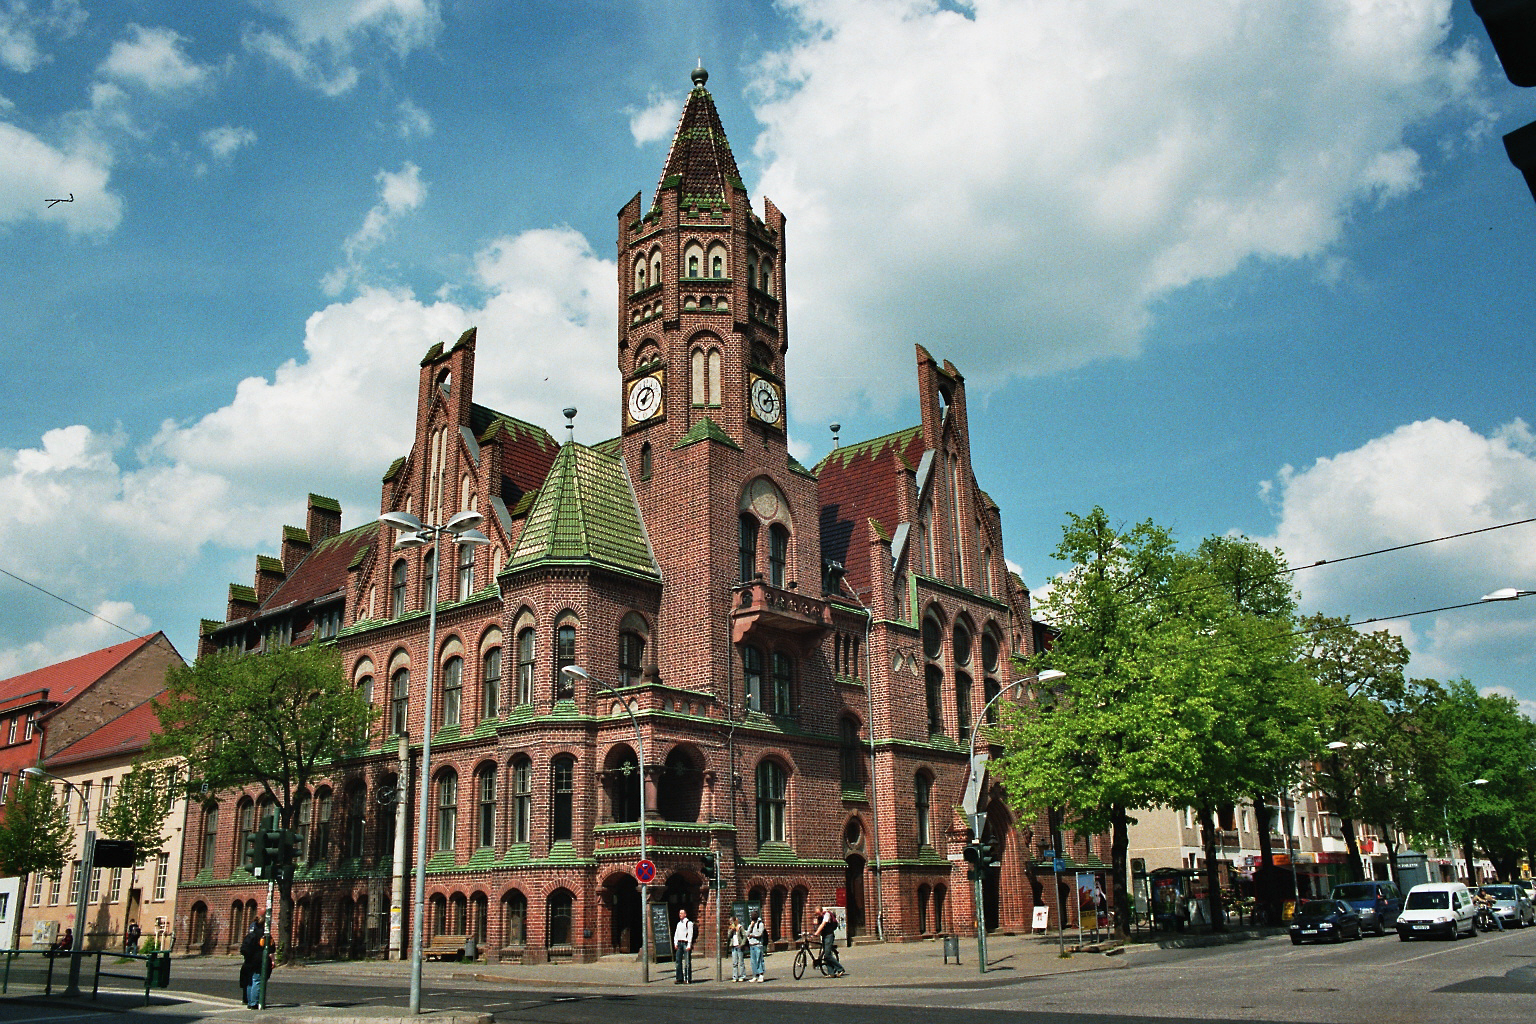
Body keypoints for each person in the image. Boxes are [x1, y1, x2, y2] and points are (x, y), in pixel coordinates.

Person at [239, 921, 268, 1008]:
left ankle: (249, 1001)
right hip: (258, 961)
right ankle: (254, 1003)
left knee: (250, 982)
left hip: (249, 960)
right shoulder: (263, 935)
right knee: (257, 980)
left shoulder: (250, 935)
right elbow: (271, 948)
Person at [814, 908, 844, 977]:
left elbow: (823, 924)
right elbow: (817, 925)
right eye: (817, 914)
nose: (818, 915)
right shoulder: (819, 917)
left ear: (821, 911)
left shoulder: (827, 915)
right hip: (824, 936)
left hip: (829, 936)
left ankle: (840, 969)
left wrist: (816, 933)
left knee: (827, 954)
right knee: (826, 955)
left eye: (818, 913)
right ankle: (831, 973)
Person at [672, 908, 694, 984]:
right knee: (678, 961)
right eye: (679, 913)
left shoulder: (689, 923)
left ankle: (687, 978)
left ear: (685, 914)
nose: (680, 915)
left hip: (685, 943)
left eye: (681, 913)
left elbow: (690, 934)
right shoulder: (679, 924)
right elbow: (676, 934)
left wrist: (689, 945)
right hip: (679, 943)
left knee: (687, 962)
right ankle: (679, 978)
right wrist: (675, 943)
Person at [745, 908, 766, 982]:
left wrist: (752, 935)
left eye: (753, 915)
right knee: (753, 961)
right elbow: (747, 933)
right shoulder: (751, 924)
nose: (752, 916)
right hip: (751, 945)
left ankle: (761, 974)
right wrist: (750, 926)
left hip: (758, 944)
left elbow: (759, 933)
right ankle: (755, 975)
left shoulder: (760, 924)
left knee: (759, 960)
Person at [727, 914, 747, 982]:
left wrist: (742, 944)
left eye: (731, 921)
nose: (730, 923)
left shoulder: (740, 927)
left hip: (739, 946)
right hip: (733, 946)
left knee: (741, 962)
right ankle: (735, 976)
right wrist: (731, 930)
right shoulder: (730, 928)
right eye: (730, 922)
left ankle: (742, 975)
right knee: (734, 962)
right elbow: (728, 936)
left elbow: (744, 936)